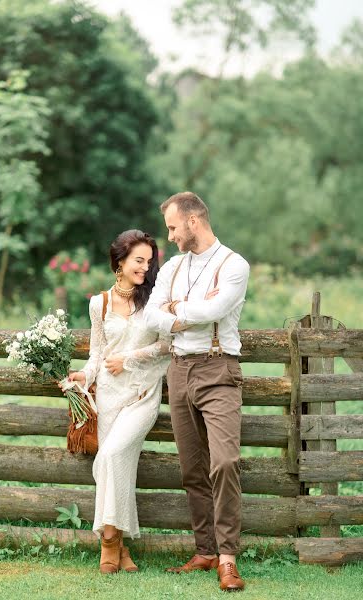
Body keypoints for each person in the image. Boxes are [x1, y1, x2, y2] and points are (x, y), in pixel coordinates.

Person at [143, 192, 250, 592]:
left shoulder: (234, 264)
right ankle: (205, 551)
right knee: (192, 469)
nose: (169, 237)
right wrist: (182, 312)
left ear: (192, 222)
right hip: (179, 371)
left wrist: (175, 310)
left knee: (224, 462)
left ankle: (227, 558)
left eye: (172, 227)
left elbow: (214, 311)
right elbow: (152, 316)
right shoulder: (171, 266)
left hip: (219, 368)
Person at [67, 230, 170, 574]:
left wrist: (129, 358)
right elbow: (97, 354)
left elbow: (166, 346)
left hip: (142, 393)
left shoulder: (156, 299)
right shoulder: (100, 303)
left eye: (149, 260)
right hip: (109, 394)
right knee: (115, 466)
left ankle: (107, 542)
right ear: (120, 263)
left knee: (110, 456)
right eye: (138, 260)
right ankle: (120, 546)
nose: (145, 266)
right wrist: (84, 375)